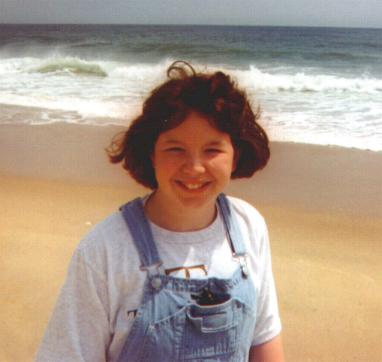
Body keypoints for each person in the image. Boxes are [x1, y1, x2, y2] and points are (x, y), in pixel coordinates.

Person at [36, 61, 284, 362]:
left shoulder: (249, 227)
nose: (194, 168)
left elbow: (264, 338)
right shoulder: (104, 249)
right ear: (150, 153)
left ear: (236, 155)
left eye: (212, 150)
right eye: (175, 149)